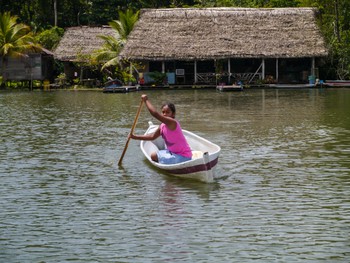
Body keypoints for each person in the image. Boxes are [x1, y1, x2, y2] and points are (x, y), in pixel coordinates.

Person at [129, 94, 192, 164]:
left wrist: (146, 100)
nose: (164, 114)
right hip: (172, 153)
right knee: (153, 155)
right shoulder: (162, 126)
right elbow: (152, 137)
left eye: (167, 112)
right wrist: (134, 136)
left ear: (173, 114)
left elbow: (155, 114)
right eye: (163, 112)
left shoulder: (173, 123)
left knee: (153, 156)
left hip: (184, 156)